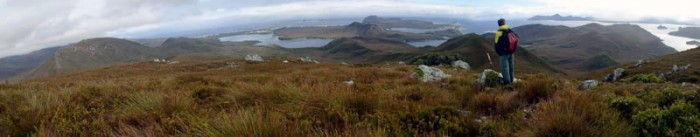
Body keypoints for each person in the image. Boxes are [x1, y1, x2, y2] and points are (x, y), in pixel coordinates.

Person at [494, 18, 515, 85]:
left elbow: (496, 44)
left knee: (505, 69)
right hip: (511, 52)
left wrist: (499, 53)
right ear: (505, 23)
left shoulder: (499, 32)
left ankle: (507, 84)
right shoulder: (510, 30)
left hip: (503, 54)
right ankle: (512, 81)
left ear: (499, 24)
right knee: (511, 67)